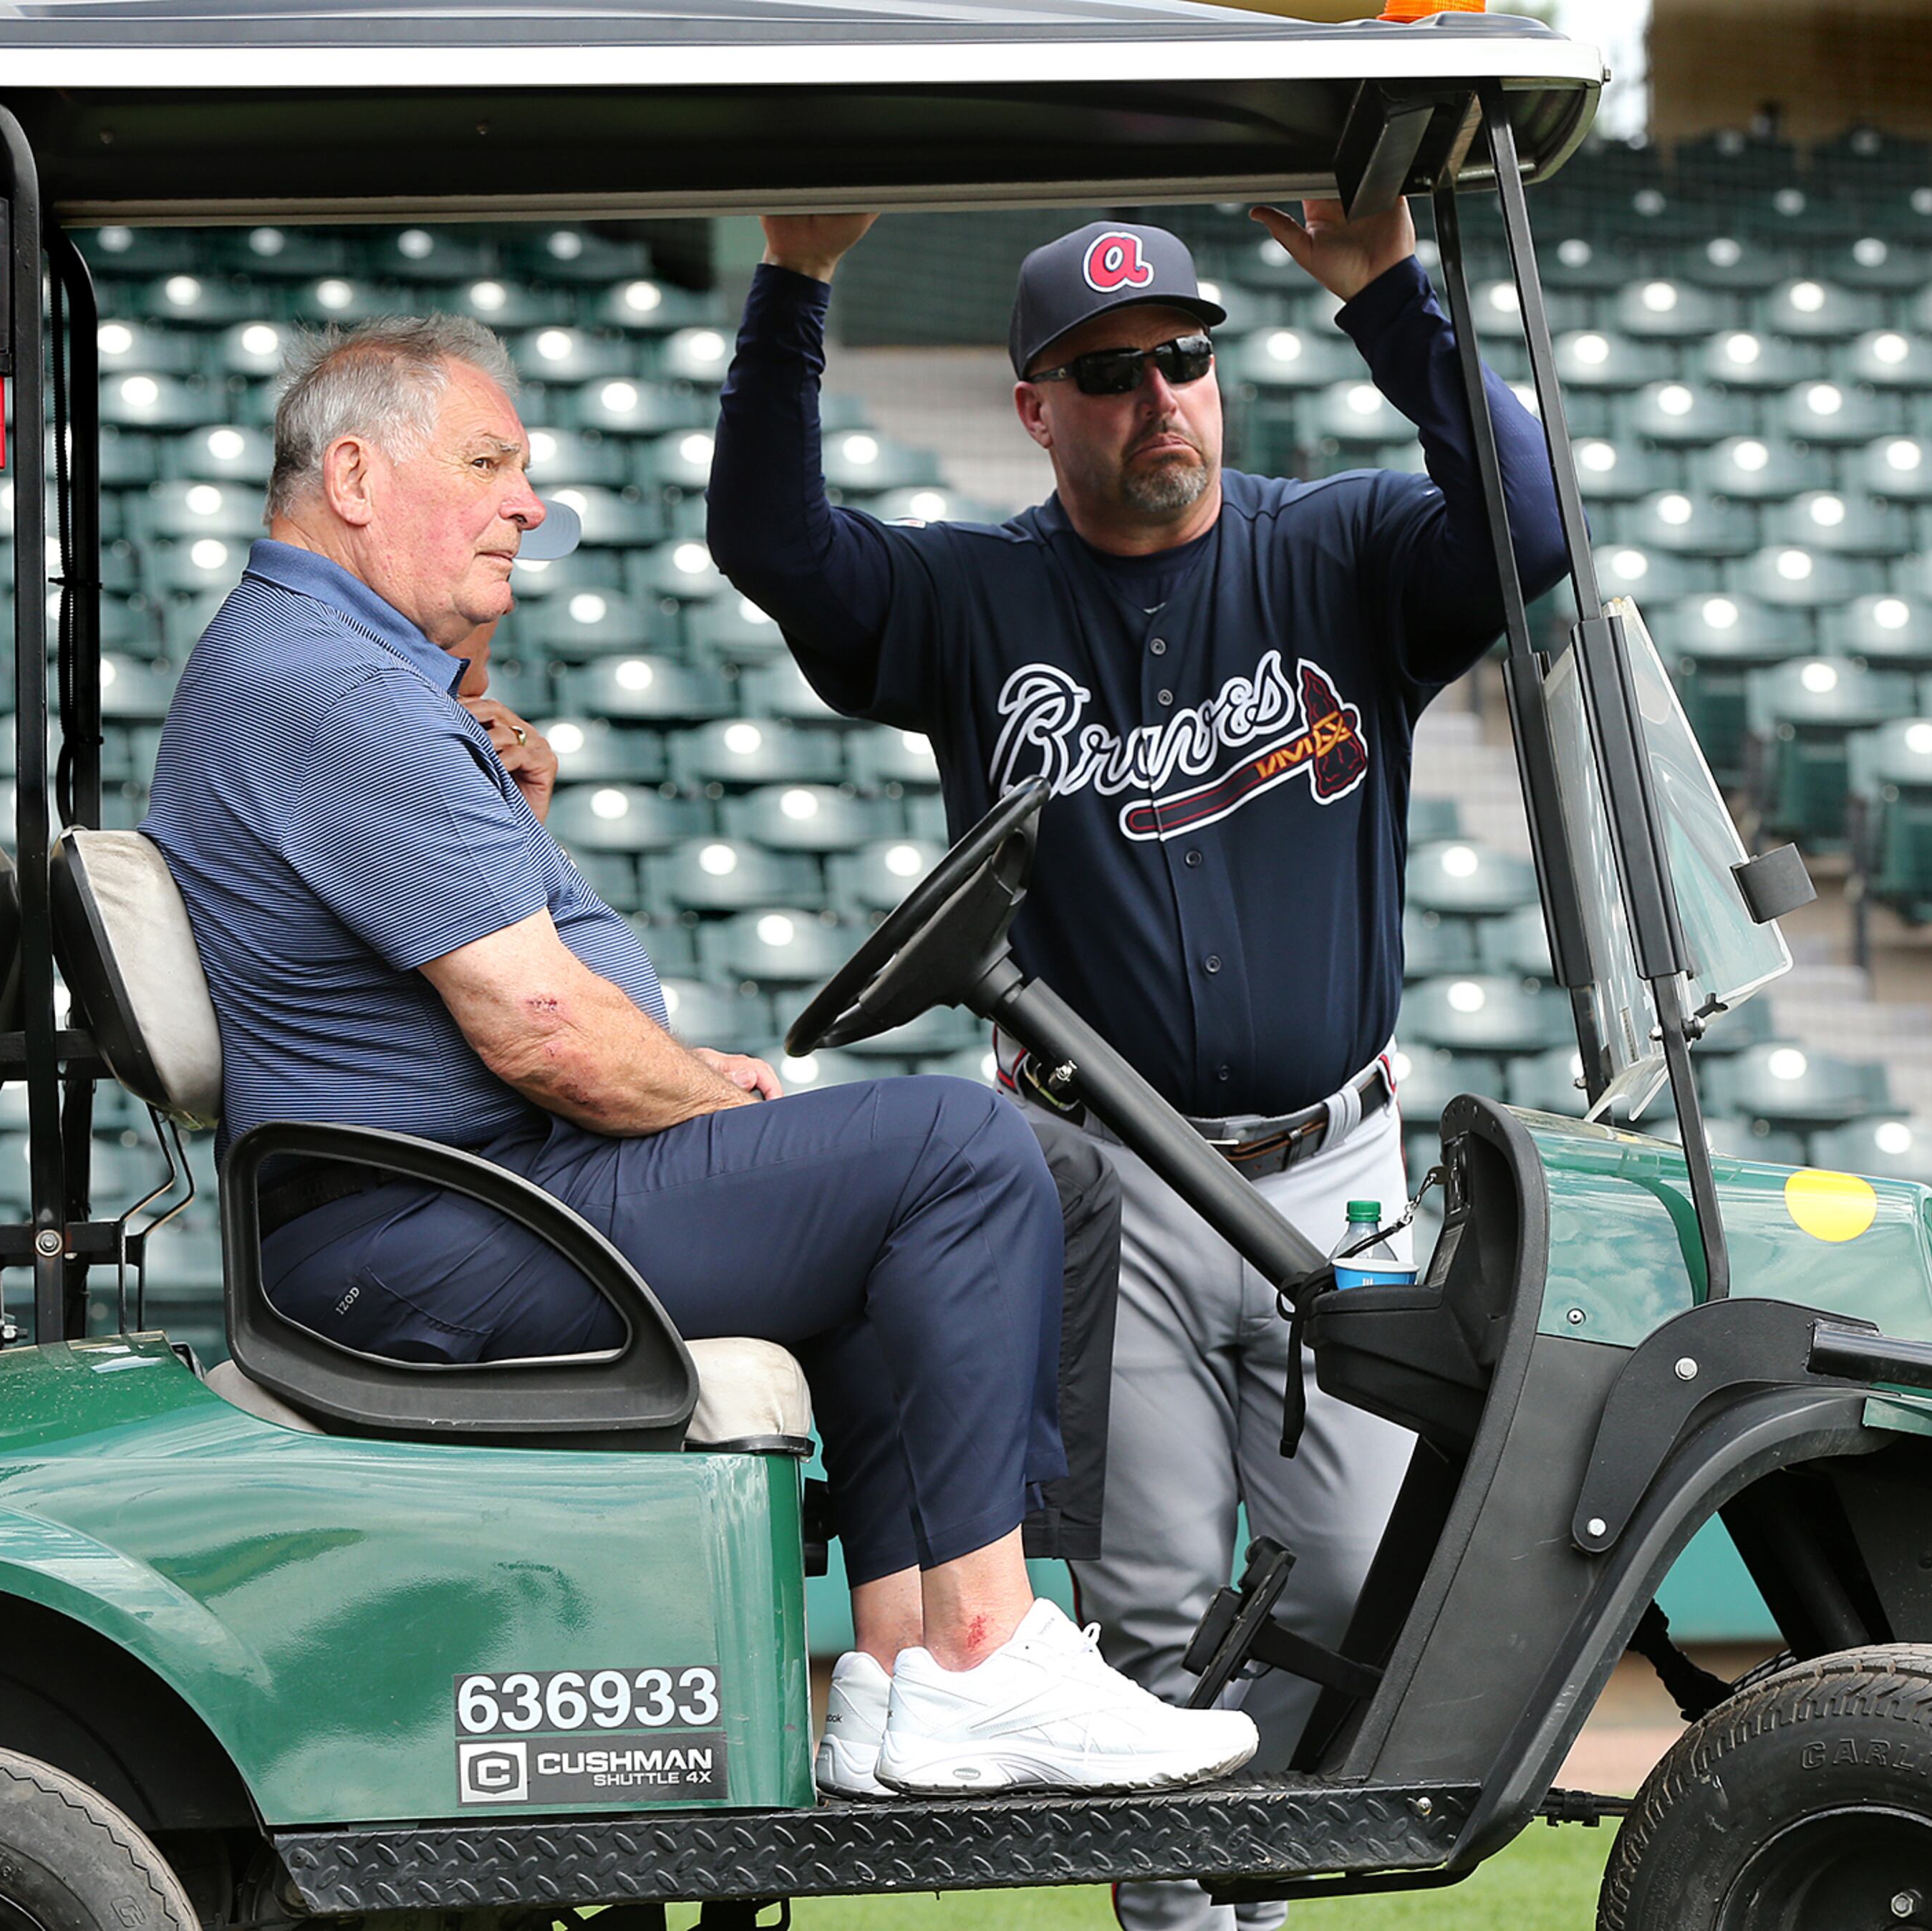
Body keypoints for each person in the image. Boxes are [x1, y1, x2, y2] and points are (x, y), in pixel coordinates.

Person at [141, 314, 1250, 1796]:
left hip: (453, 1201)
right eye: (488, 464)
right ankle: (994, 1651)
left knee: (1012, 1169)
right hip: (433, 1228)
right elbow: (547, 1031)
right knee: (963, 1147)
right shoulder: (339, 688)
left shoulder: (344, 669)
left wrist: (523, 820)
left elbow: (525, 996)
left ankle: (903, 1671)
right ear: (353, 474)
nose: (529, 505)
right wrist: (715, 1090)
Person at [707, 206, 1568, 1907]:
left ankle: (1244, 1872)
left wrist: (1387, 295)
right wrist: (795, 285)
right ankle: (1197, 1916)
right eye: (1109, 374)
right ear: (1040, 407)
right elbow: (777, 547)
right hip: (1120, 1188)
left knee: (1361, 1578)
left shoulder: (1343, 551)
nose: (1158, 396)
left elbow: (1535, 523)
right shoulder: (974, 597)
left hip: (1340, 1168)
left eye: (1185, 357)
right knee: (1158, 1600)